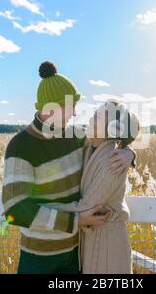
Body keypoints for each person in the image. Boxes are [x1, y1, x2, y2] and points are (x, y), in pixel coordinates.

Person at [1, 61, 136, 274]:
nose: (75, 113)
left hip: (76, 254)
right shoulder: (21, 146)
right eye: (71, 105)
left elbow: (111, 137)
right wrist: (76, 220)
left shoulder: (75, 136)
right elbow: (16, 210)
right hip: (39, 258)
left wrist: (129, 152)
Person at [47, 100, 140, 274]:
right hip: (93, 240)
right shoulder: (91, 146)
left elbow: (87, 207)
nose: (90, 119)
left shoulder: (112, 162)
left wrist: (41, 209)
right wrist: (131, 152)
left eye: (97, 117)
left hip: (107, 245)